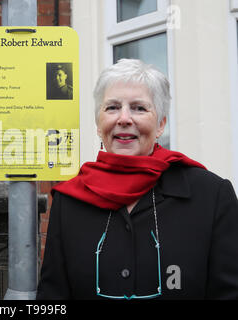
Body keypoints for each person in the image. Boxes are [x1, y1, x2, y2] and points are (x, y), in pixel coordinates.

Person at [37, 59, 238, 300]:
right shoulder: (69, 202)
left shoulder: (211, 196)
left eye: (139, 108)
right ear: (99, 125)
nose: (124, 118)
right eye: (112, 107)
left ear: (161, 124)